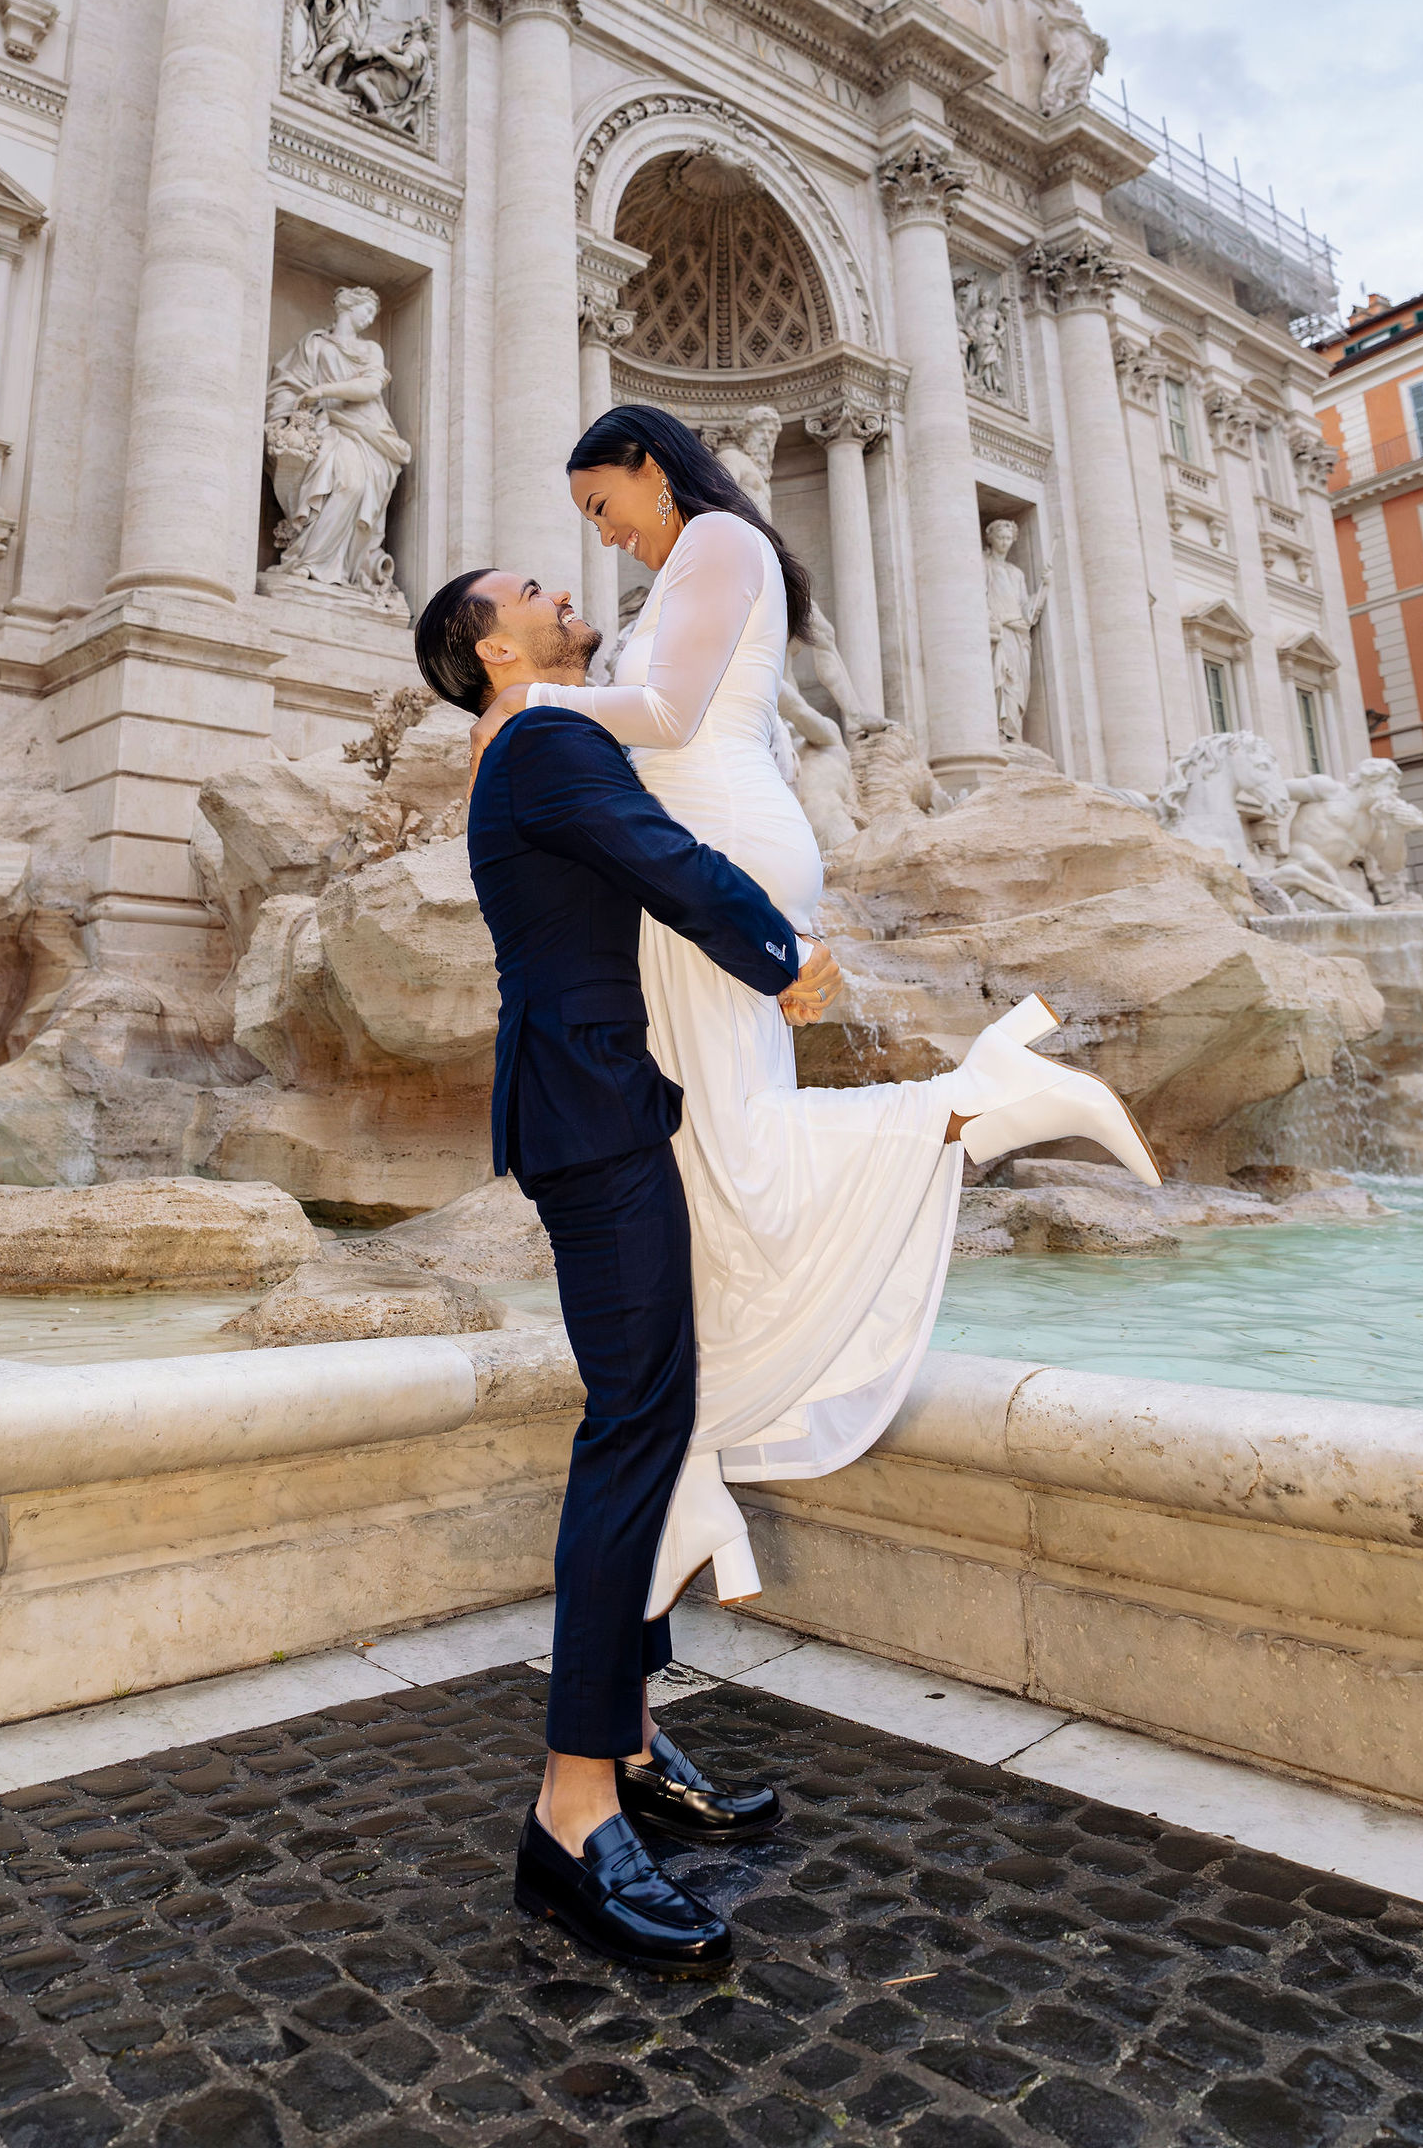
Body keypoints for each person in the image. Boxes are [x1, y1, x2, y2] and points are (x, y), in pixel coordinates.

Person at [465, 403, 1159, 1614]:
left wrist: (528, 707)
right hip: (717, 845)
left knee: (733, 1155)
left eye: (600, 504)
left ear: (648, 465)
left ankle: (977, 1103)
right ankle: (689, 1494)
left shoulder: (719, 543)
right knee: (704, 1163)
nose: (600, 534)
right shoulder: (691, 564)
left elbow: (672, 721)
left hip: (719, 848)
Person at [416, 561, 838, 1973]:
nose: (560, 587)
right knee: (634, 1429)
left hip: (596, 1097)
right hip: (591, 1108)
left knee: (648, 1418)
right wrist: (780, 953)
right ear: (490, 646)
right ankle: (572, 1805)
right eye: (530, 588)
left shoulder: (532, 740)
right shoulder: (541, 736)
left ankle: (634, 1741)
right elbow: (661, 867)